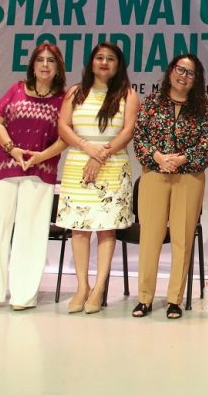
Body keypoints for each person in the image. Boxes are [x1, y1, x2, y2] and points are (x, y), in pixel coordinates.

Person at [0, 42, 68, 311]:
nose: (45, 65)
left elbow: (65, 138)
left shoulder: (64, 100)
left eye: (51, 61)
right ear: (32, 65)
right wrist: (12, 149)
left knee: (31, 233)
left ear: (58, 68)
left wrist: (41, 156)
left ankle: (23, 295)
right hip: (4, 167)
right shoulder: (16, 89)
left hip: (40, 171)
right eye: (40, 60)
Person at [56, 43, 139, 314]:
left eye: (110, 59)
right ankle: (83, 286)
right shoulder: (75, 93)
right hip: (78, 164)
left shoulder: (127, 94)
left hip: (112, 165)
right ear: (91, 63)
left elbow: (127, 132)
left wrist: (101, 154)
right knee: (79, 228)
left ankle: (100, 286)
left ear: (118, 65)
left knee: (106, 228)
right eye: (99, 58)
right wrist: (87, 148)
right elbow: (63, 127)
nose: (104, 62)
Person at [132, 54, 208, 320]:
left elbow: (206, 144)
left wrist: (182, 158)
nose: (184, 76)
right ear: (170, 71)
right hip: (155, 174)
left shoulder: (203, 108)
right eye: (180, 69)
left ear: (196, 80)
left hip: (189, 177)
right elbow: (139, 137)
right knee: (150, 238)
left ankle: (174, 300)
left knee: (182, 238)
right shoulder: (151, 103)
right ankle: (144, 298)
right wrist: (158, 157)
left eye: (190, 73)